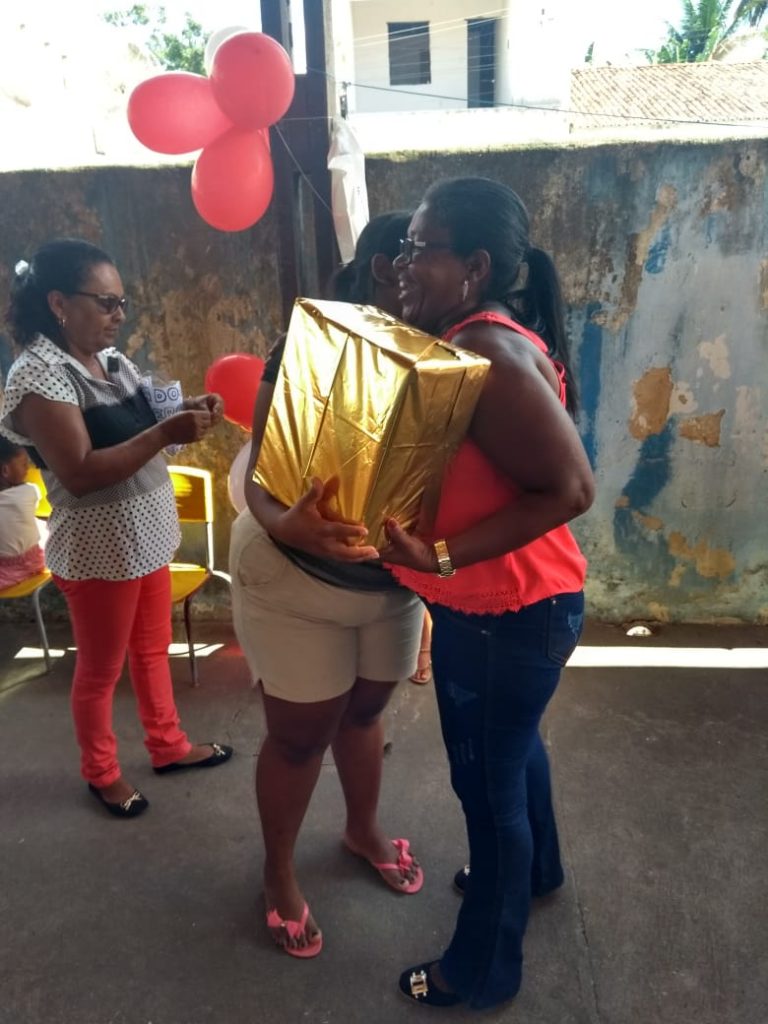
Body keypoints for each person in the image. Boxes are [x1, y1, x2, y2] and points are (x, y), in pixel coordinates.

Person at [378, 177, 595, 1009]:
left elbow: (571, 489)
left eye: (418, 249)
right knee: (514, 752)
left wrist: (439, 554)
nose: (402, 263)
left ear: (473, 266)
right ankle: (537, 871)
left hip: (507, 616)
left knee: (486, 789)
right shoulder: (474, 337)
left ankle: (479, 972)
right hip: (511, 608)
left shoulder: (488, 355)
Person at [229, 212, 425, 959]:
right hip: (294, 577)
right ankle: (278, 872)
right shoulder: (312, 346)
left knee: (366, 712)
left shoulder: (447, 352)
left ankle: (362, 830)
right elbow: (258, 470)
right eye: (417, 257)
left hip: (391, 584)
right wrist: (287, 525)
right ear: (383, 267)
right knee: (299, 736)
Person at [0, 238, 233, 819]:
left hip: (146, 538)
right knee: (101, 671)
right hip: (101, 552)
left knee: (151, 651)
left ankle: (168, 745)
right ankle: (101, 773)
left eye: (121, 303)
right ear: (58, 303)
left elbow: (143, 423)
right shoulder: (39, 376)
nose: (119, 315)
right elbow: (80, 472)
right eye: (105, 303)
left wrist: (186, 413)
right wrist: (165, 432)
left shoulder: (109, 361)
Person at [0, 437, 46, 589]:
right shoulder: (30, 491)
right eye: (24, 464)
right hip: (36, 563)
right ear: (5, 470)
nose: (27, 469)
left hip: (3, 575)